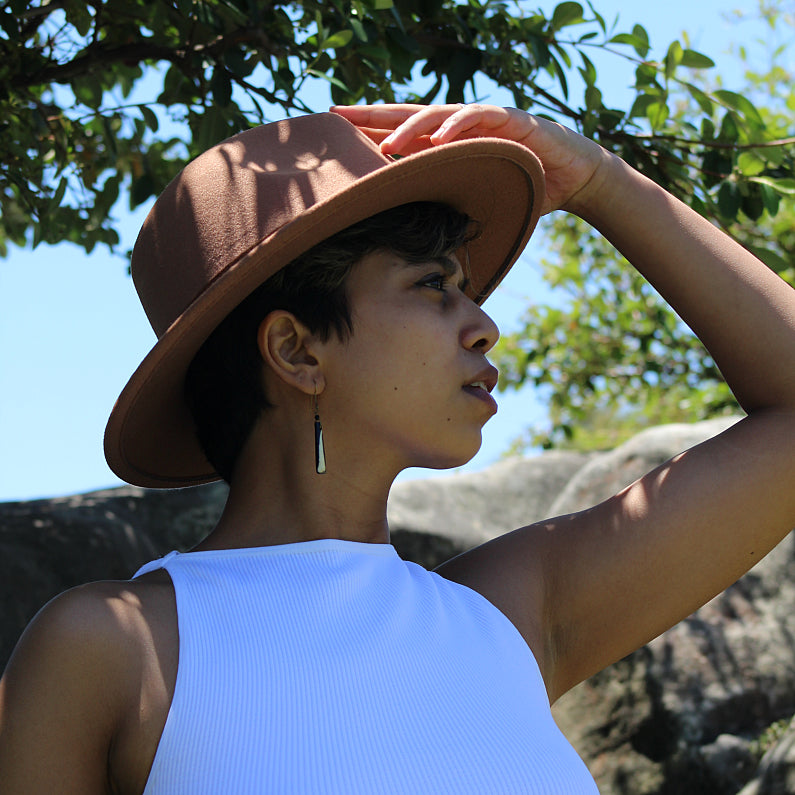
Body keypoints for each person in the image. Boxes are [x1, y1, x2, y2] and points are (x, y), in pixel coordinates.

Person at [0, 102, 793, 794]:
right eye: (432, 284)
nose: (484, 325)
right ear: (296, 350)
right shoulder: (109, 650)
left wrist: (598, 182)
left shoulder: (515, 613)